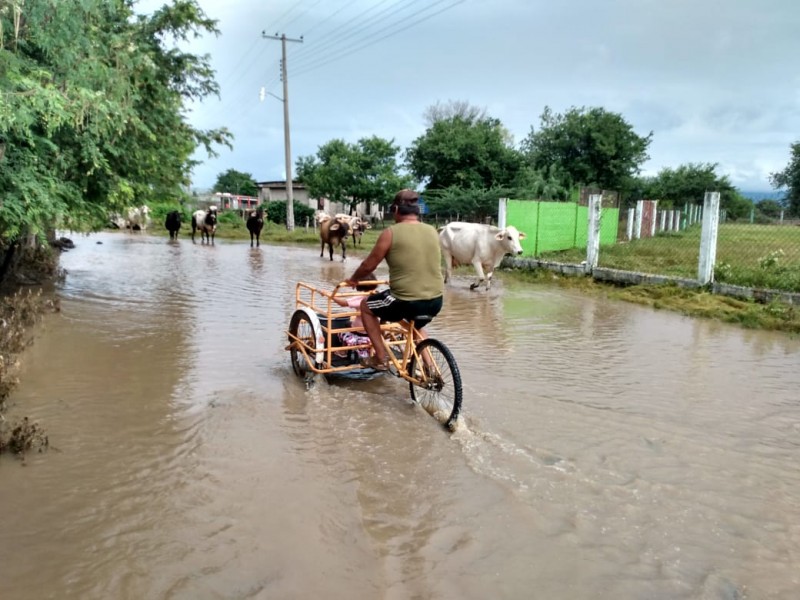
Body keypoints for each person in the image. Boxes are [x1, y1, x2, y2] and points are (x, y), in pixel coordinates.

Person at [345, 189, 444, 371]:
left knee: (366, 307)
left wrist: (353, 280)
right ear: (417, 210)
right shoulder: (432, 231)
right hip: (436, 300)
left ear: (396, 209)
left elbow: (368, 266)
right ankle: (430, 367)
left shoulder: (390, 233)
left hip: (405, 301)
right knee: (417, 326)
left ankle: (380, 357)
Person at [331, 273, 378, 359]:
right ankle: (372, 350)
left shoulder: (361, 298)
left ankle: (343, 351)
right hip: (373, 331)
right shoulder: (378, 296)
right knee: (350, 323)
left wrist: (331, 296)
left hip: (360, 330)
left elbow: (343, 303)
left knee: (344, 329)